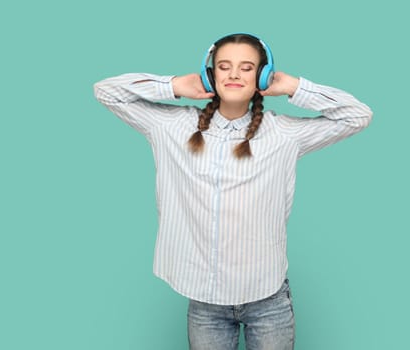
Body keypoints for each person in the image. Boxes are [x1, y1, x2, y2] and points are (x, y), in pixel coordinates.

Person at [94, 33, 372, 350]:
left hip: (268, 300)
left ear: (262, 76)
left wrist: (293, 86)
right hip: (205, 303)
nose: (235, 74)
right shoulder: (171, 127)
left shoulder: (284, 134)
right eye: (224, 66)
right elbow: (106, 92)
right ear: (210, 75)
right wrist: (172, 86)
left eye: (247, 67)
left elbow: (357, 115)